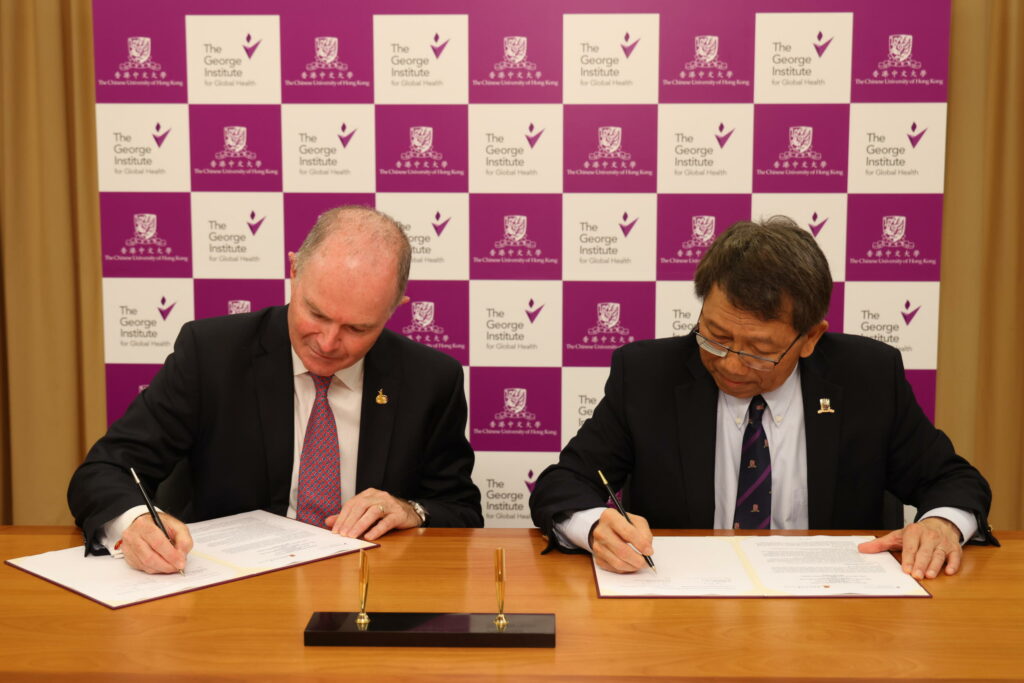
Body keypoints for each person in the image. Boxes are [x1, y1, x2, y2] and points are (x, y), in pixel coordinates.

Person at [530, 216, 996, 579]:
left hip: (834, 608)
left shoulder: (866, 377)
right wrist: (593, 526)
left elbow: (953, 481)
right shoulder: (648, 374)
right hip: (683, 606)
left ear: (811, 338)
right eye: (714, 336)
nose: (731, 364)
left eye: (761, 352)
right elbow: (564, 483)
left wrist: (941, 525)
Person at [69, 205, 482, 574]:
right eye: (316, 313)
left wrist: (411, 510)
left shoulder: (430, 379)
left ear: (395, 309)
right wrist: (135, 523)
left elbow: (461, 510)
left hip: (365, 589)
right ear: (294, 272)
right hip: (227, 591)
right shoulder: (211, 354)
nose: (328, 341)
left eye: (358, 328)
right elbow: (105, 470)